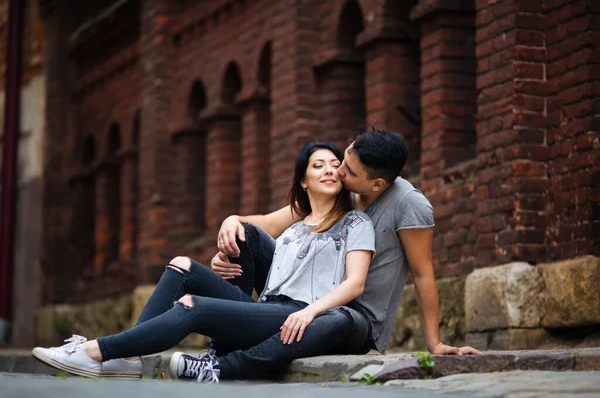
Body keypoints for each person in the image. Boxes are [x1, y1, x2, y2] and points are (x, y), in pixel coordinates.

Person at [32, 142, 376, 382]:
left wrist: (310, 311)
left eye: (335, 166)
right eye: (318, 166)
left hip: (301, 315)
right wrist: (231, 222)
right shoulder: (295, 224)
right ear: (304, 180)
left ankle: (96, 351)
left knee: (191, 305)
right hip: (268, 308)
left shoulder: (354, 221)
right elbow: (251, 226)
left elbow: (355, 282)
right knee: (184, 263)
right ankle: (127, 357)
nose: (330, 170)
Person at [179, 129, 481, 381]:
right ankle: (224, 344)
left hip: (352, 316)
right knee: (249, 236)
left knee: (331, 319)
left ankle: (223, 368)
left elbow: (423, 272)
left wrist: (435, 343)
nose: (336, 171)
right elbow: (268, 224)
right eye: (343, 160)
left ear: (376, 184)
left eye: (346, 170)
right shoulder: (339, 188)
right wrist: (232, 224)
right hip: (309, 298)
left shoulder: (409, 204)